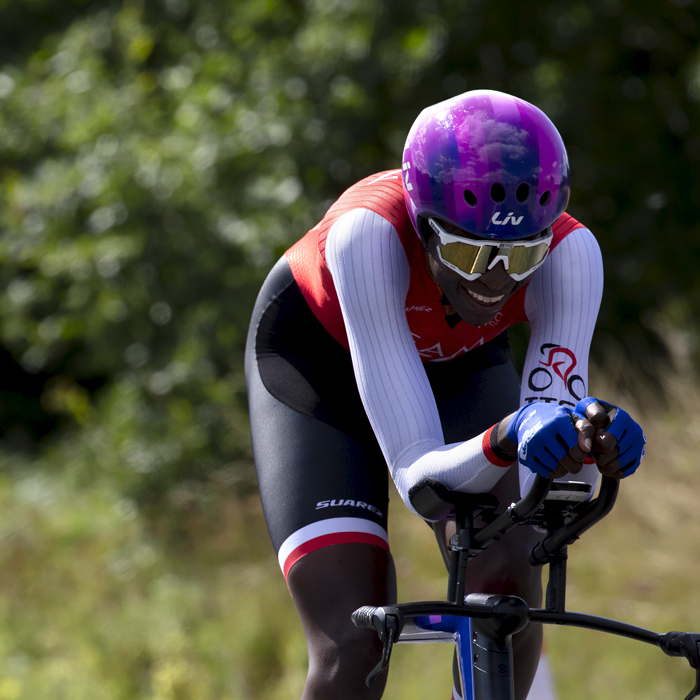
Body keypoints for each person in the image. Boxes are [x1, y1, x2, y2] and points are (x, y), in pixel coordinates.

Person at [245, 89, 646, 700]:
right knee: (355, 636)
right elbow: (419, 479)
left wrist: (593, 450)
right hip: (319, 367)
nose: (493, 280)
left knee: (507, 598)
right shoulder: (369, 235)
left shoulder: (570, 254)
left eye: (522, 256)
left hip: (459, 360)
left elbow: (557, 492)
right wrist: (509, 436)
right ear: (421, 222)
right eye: (467, 251)